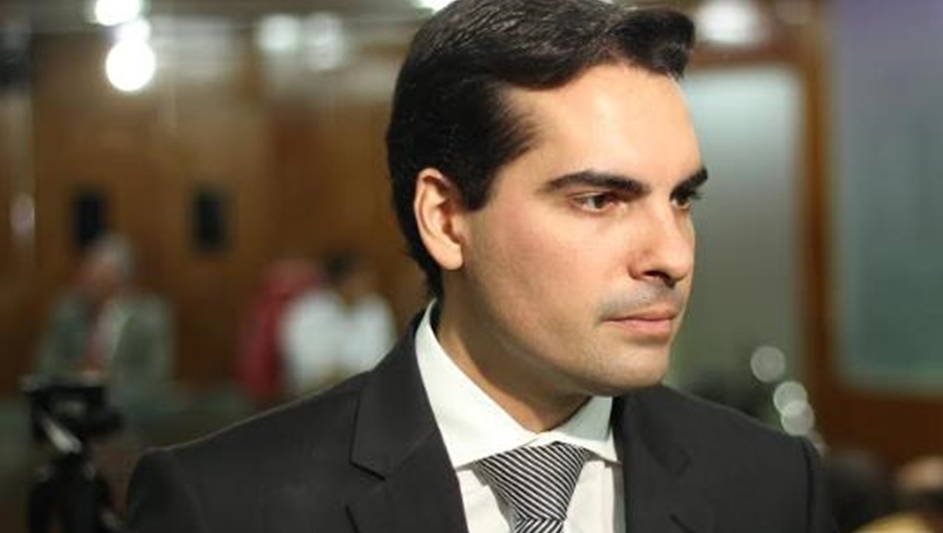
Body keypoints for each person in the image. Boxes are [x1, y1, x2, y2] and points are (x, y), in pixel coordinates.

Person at [126, 1, 837, 532]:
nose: (672, 256)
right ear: (445, 218)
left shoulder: (772, 486)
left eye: (681, 199)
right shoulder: (224, 506)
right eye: (599, 200)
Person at [34, 234, 174, 422]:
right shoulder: (67, 309)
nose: (91, 284)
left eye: (102, 277)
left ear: (121, 280)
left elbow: (155, 379)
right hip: (72, 412)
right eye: (89, 275)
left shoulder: (150, 315)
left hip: (131, 415)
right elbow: (45, 366)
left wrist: (106, 382)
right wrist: (78, 378)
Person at [280, 251, 396, 396]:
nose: (369, 282)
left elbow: (381, 360)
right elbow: (306, 367)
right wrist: (342, 375)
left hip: (364, 393)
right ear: (341, 281)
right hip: (312, 394)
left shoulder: (376, 309)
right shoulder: (306, 310)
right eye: (360, 278)